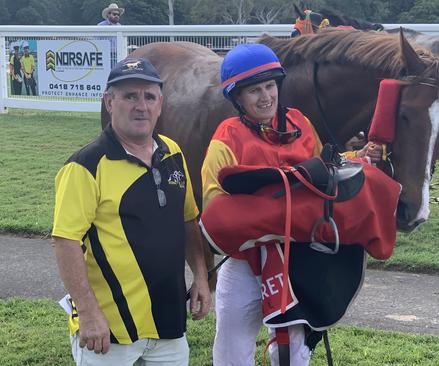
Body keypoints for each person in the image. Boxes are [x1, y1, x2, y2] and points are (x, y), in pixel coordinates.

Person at [201, 43, 381, 366]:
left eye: (270, 86)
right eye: (254, 90)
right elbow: (214, 203)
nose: (265, 96)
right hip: (243, 260)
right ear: (237, 98)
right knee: (231, 351)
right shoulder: (226, 137)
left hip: (295, 258)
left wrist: (358, 158)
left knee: (292, 353)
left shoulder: (299, 123)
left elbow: (322, 170)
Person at [52, 57, 211, 365]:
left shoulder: (172, 152)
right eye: (130, 96)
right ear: (109, 102)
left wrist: (202, 277)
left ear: (161, 104)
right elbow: (65, 242)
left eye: (149, 96)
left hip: (168, 324)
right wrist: (87, 313)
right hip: (110, 330)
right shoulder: (84, 166)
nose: (141, 106)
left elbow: (189, 220)